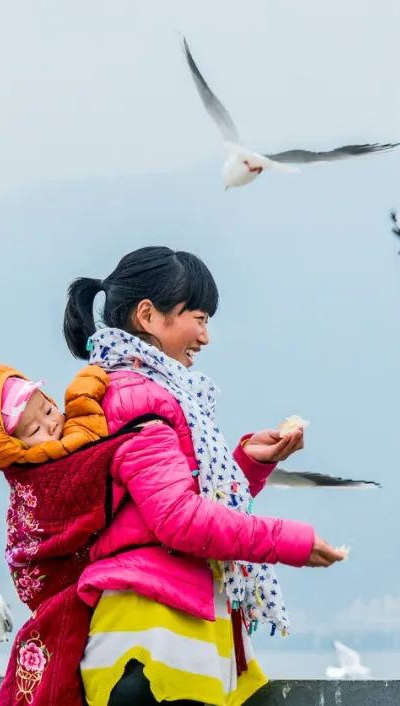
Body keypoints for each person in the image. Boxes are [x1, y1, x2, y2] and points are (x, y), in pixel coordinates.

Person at [63, 246, 346, 706]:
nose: (206, 337)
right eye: (199, 318)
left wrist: (248, 465)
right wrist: (288, 541)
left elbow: (163, 503)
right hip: (152, 633)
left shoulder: (152, 392)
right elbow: (178, 519)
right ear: (148, 316)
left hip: (176, 619)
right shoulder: (139, 401)